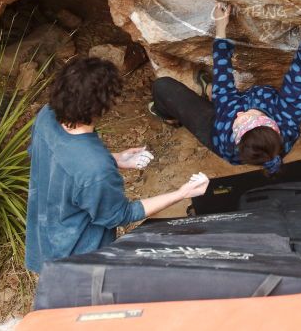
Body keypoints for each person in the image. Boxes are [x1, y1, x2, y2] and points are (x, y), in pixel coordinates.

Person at [25, 57, 209, 273]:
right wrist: (181, 193)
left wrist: (116, 159)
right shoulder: (96, 168)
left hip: (44, 239)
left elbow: (57, 159)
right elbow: (120, 215)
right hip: (79, 257)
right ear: (101, 106)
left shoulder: (46, 116)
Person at [149, 0, 301, 174]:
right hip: (239, 112)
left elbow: (225, 85)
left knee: (163, 87)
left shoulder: (226, 128)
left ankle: (168, 116)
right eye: (246, 116)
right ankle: (209, 91)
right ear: (273, 124)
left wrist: (221, 30)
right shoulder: (287, 116)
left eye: (238, 122)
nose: (239, 114)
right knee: (220, 97)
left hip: (214, 129)